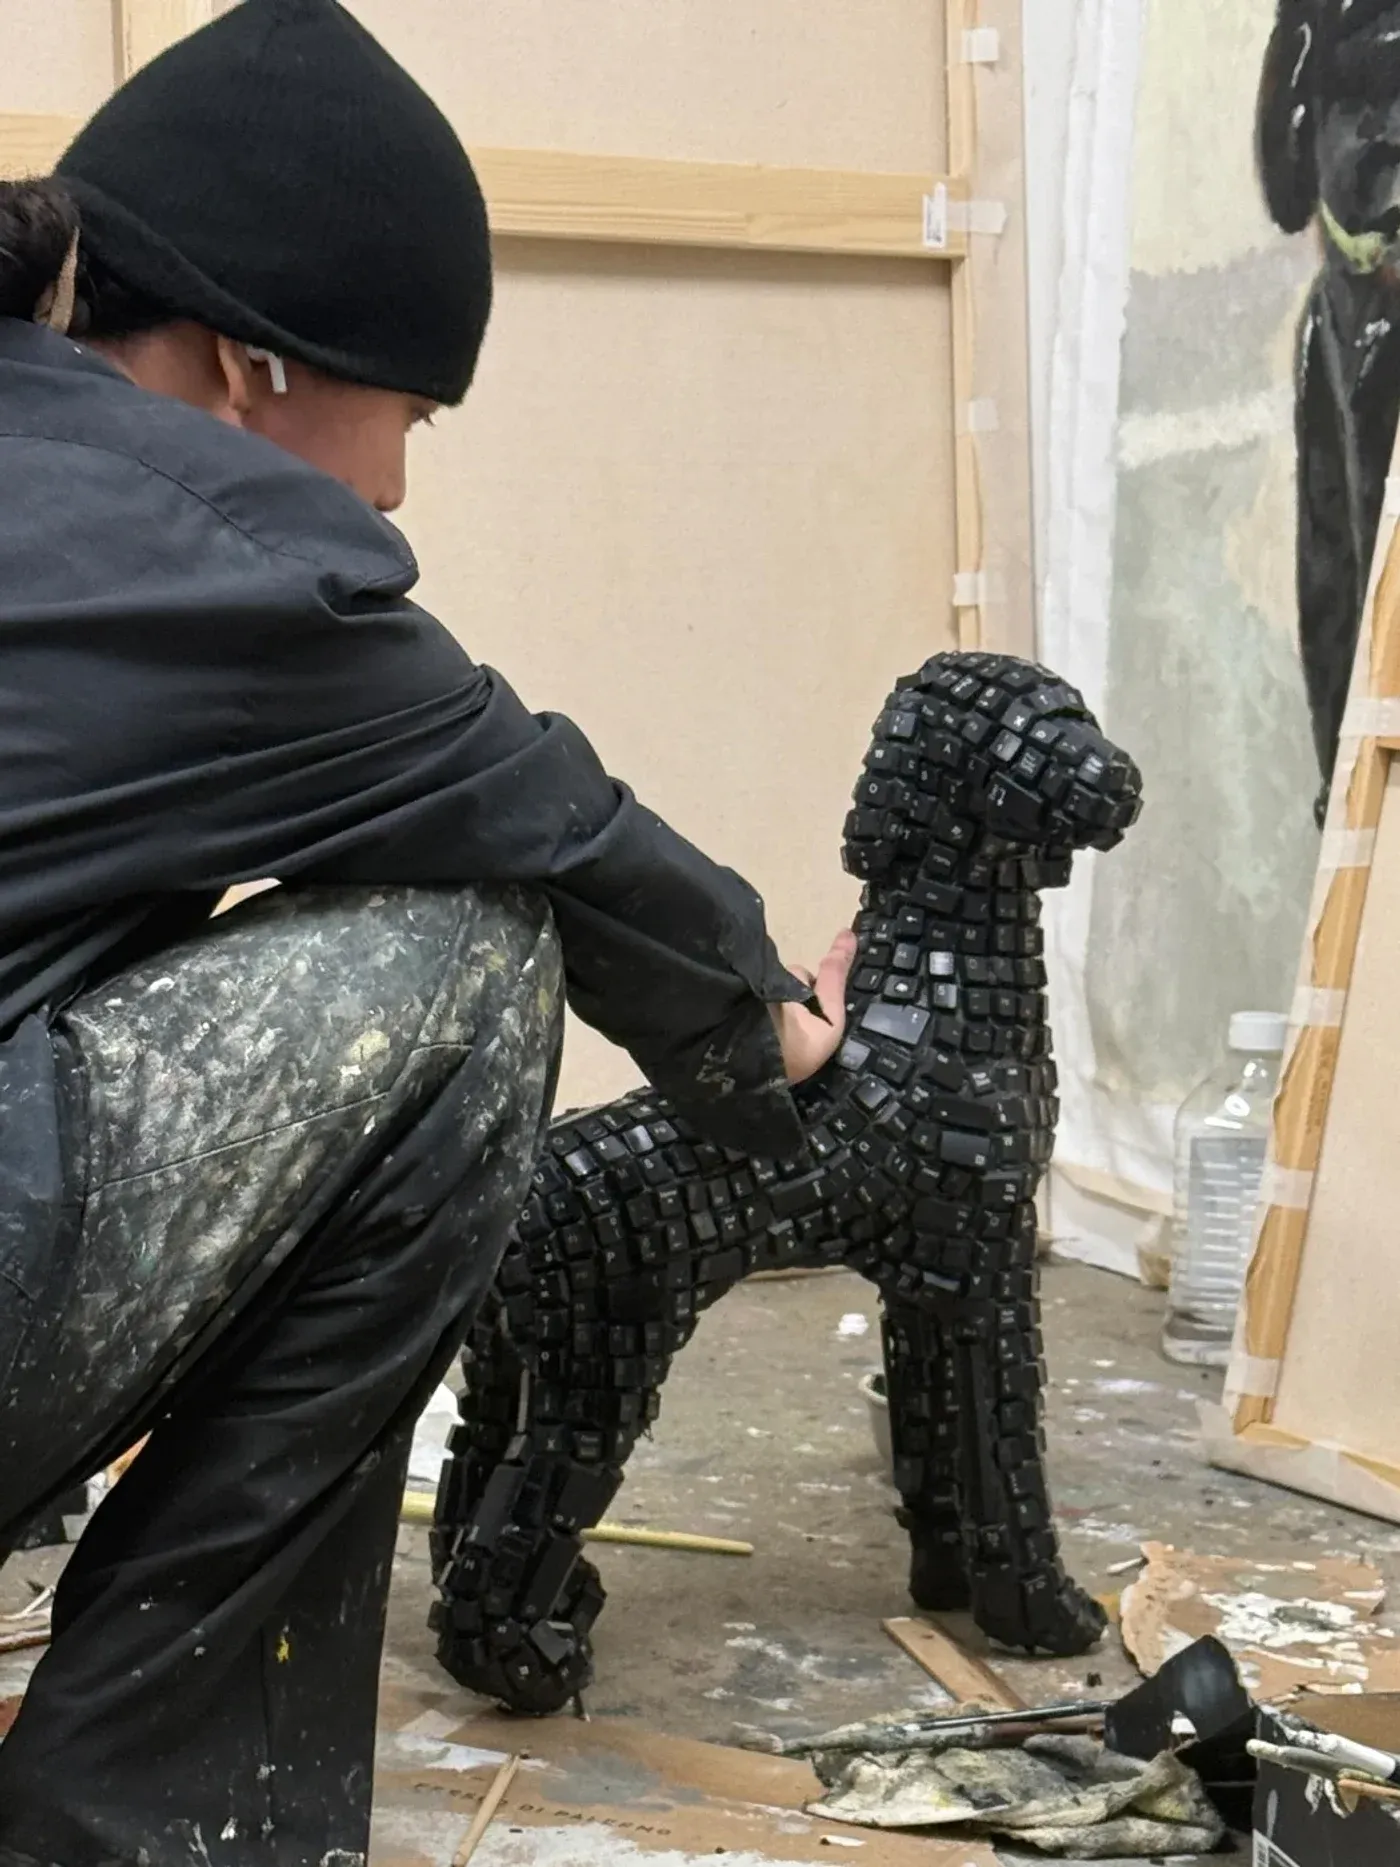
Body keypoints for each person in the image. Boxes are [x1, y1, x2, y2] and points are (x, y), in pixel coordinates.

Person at [0, 3, 855, 1861]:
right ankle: (154, 1812)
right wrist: (781, 1029)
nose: (396, 483)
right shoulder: (230, 554)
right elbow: (552, 815)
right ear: (249, 364)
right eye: (412, 415)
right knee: (463, 954)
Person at [1257, 0, 1400, 825]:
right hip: (1346, 321)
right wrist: (1298, 35)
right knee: (1336, 583)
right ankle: (1349, 807)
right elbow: (1283, 188)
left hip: (1381, 323)